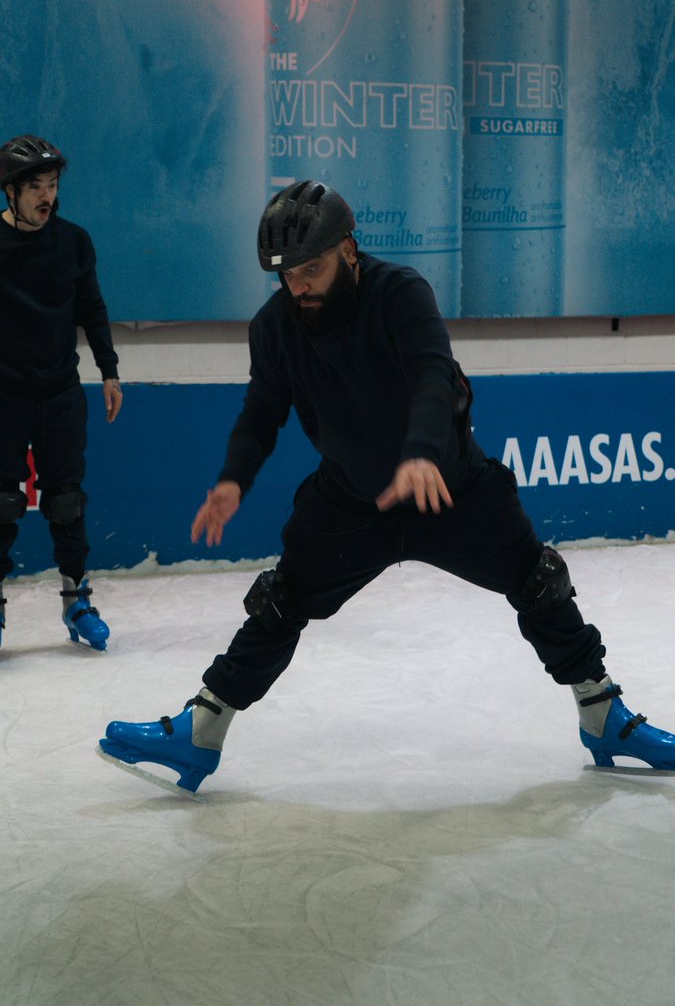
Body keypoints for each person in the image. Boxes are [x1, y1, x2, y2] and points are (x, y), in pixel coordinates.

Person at [99, 179, 675, 794]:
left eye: (311, 269)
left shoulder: (400, 293)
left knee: (540, 582)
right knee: (279, 600)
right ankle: (200, 734)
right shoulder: (275, 327)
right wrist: (233, 480)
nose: (298, 286)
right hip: (351, 502)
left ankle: (603, 716)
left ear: (349, 249)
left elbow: (433, 374)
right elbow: (262, 412)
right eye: (286, 274)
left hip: (450, 490)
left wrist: (423, 452)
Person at [0, 134, 123, 651]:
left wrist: (109, 371)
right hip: (5, 395)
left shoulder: (74, 241)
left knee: (67, 500)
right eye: (35, 187)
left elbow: (91, 309)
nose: (46, 196)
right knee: (3, 503)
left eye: (51, 185)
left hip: (60, 393)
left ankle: (77, 600)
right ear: (10, 192)